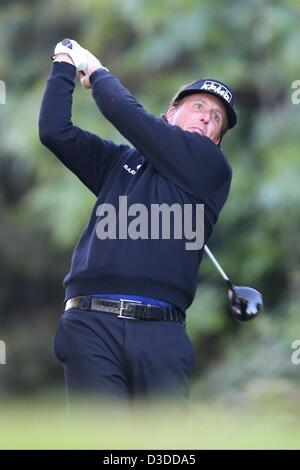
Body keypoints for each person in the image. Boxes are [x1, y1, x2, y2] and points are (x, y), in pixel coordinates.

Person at [38, 40, 237, 408]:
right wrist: (64, 63)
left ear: (217, 142)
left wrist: (95, 70)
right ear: (170, 113)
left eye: (216, 119)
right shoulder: (120, 163)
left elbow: (126, 114)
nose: (207, 118)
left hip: (162, 333)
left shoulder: (211, 168)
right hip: (90, 324)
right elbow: (56, 132)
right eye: (198, 107)